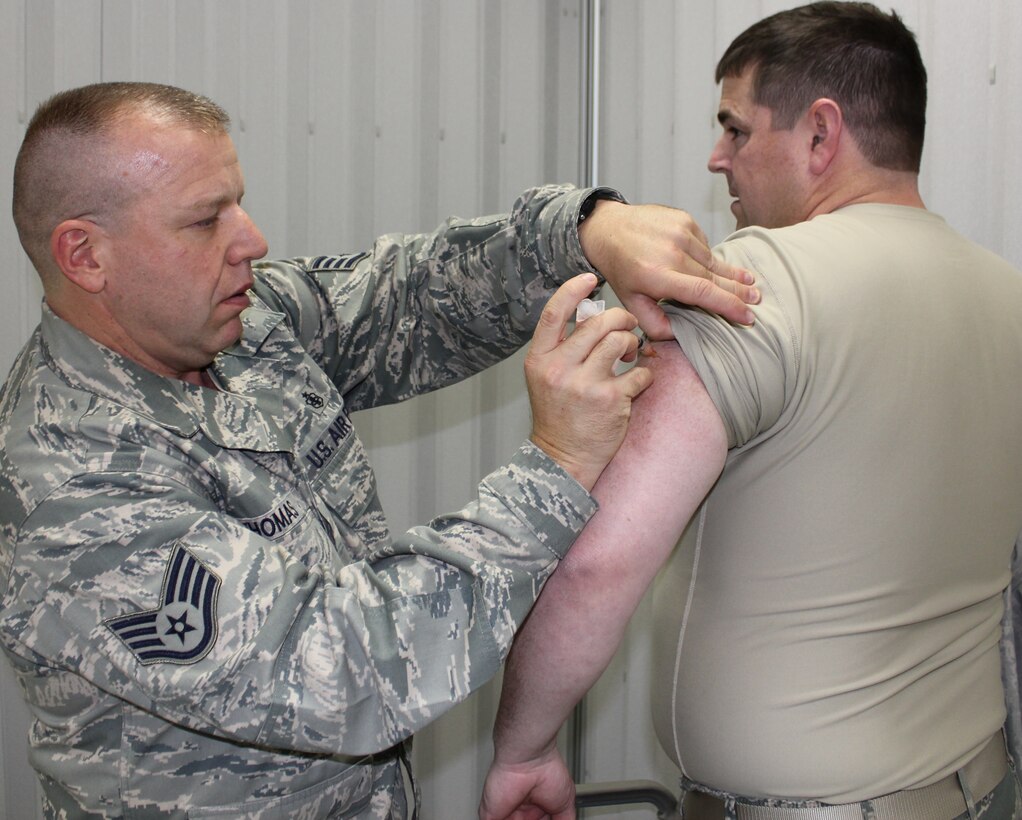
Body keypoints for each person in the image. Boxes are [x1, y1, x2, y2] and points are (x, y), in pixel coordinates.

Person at [0, 81, 761, 819]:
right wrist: (557, 465)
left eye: (238, 201)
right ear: (85, 256)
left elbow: (410, 295)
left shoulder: (240, 322)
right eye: (205, 221)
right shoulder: (72, 488)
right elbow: (338, 673)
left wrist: (582, 232)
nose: (251, 241)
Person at [479, 3, 1022, 819]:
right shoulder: (1005, 295)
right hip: (977, 787)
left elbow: (599, 561)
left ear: (820, 133)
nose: (717, 158)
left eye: (735, 129)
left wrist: (525, 748)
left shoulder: (754, 286)